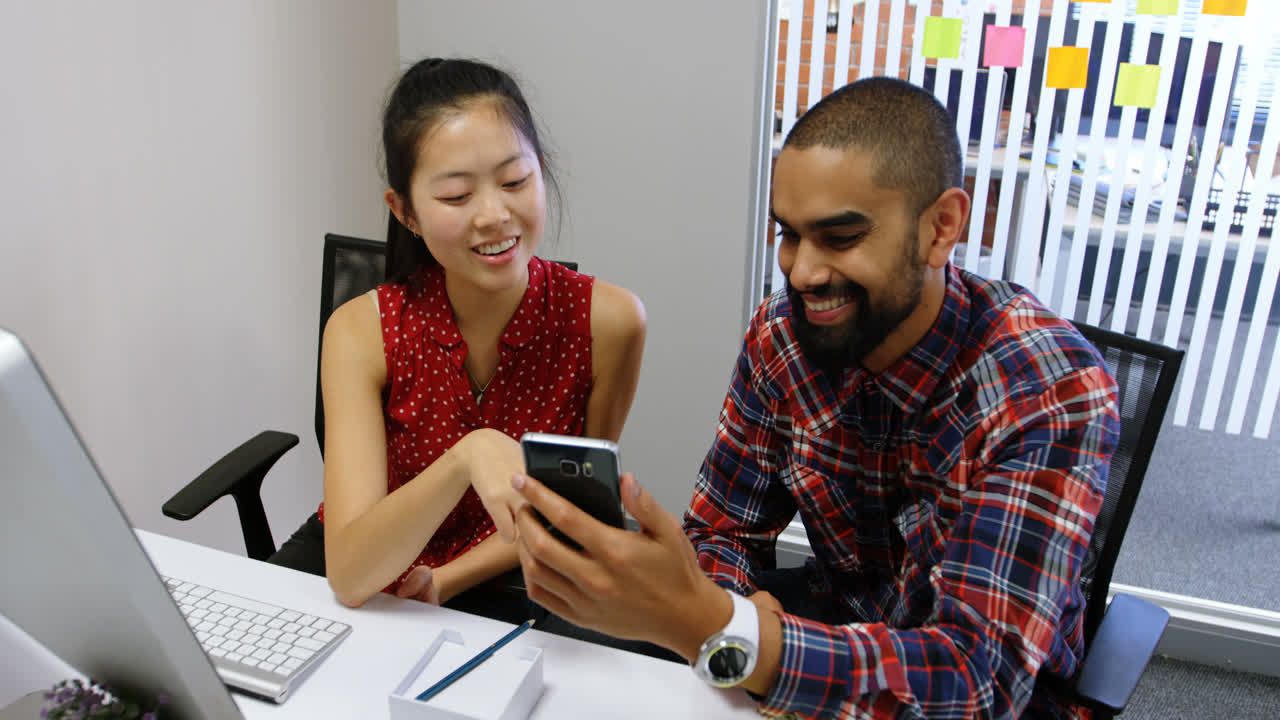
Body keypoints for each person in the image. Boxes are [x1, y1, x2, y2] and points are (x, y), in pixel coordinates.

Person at [509, 76, 1119, 718]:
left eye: (840, 238)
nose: (802, 272)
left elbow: (977, 684)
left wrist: (734, 635)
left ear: (941, 228)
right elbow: (724, 526)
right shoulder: (785, 334)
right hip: (832, 621)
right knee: (576, 652)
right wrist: (726, 609)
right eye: (790, 235)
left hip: (983, 692)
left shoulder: (1046, 387)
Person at [267, 57, 647, 620]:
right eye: (455, 196)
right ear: (406, 213)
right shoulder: (359, 330)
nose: (494, 215)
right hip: (377, 567)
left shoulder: (610, 323)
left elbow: (571, 513)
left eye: (515, 181)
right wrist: (466, 457)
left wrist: (444, 581)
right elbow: (349, 574)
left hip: (520, 571)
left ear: (541, 173)